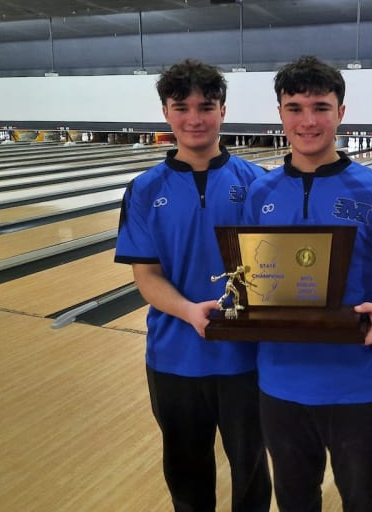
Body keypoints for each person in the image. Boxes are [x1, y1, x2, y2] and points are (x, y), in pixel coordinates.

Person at [242, 56, 372, 512]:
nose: (308, 120)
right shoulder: (261, 193)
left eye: (320, 106)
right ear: (280, 113)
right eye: (294, 107)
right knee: (296, 502)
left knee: (365, 501)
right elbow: (247, 275)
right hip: (280, 383)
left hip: (358, 383)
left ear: (341, 111)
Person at [114, 59, 271, 512]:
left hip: (244, 357)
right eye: (181, 107)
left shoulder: (257, 184)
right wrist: (188, 311)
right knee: (185, 476)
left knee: (252, 472)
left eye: (206, 106)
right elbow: (146, 276)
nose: (194, 118)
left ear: (223, 110)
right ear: (166, 112)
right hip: (173, 358)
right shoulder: (144, 189)